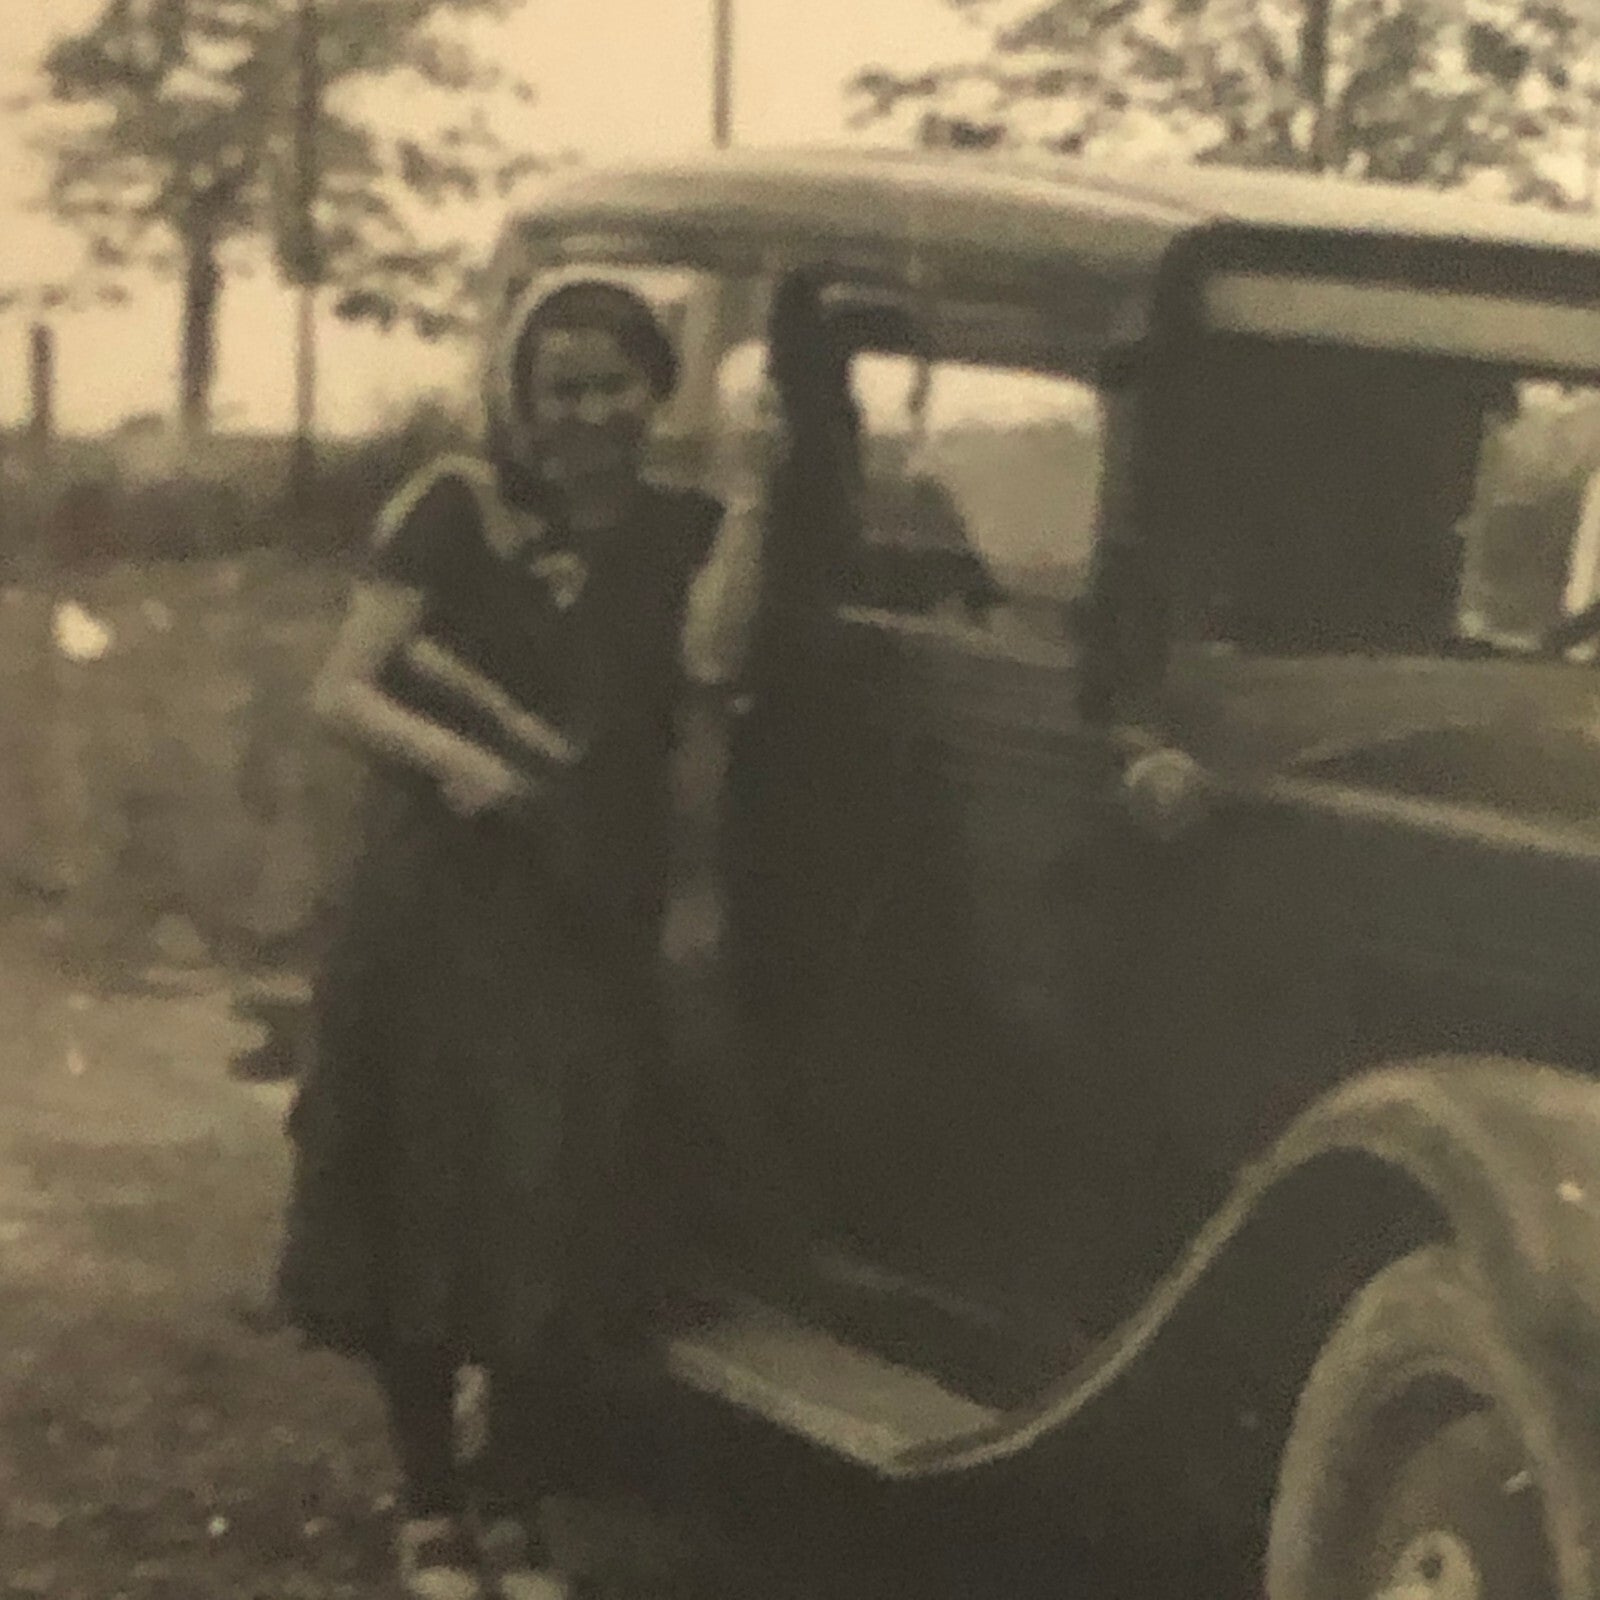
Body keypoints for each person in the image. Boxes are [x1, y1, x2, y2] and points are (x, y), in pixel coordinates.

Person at [276, 273, 723, 1600]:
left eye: (614, 385)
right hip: (440, 902)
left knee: (550, 1194)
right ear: (521, 399)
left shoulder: (685, 531)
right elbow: (343, 692)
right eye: (560, 389)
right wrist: (464, 770)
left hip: (583, 903)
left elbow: (711, 681)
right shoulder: (455, 511)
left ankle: (514, 1499)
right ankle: (429, 1507)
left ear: (657, 390)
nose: (589, 413)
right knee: (427, 1191)